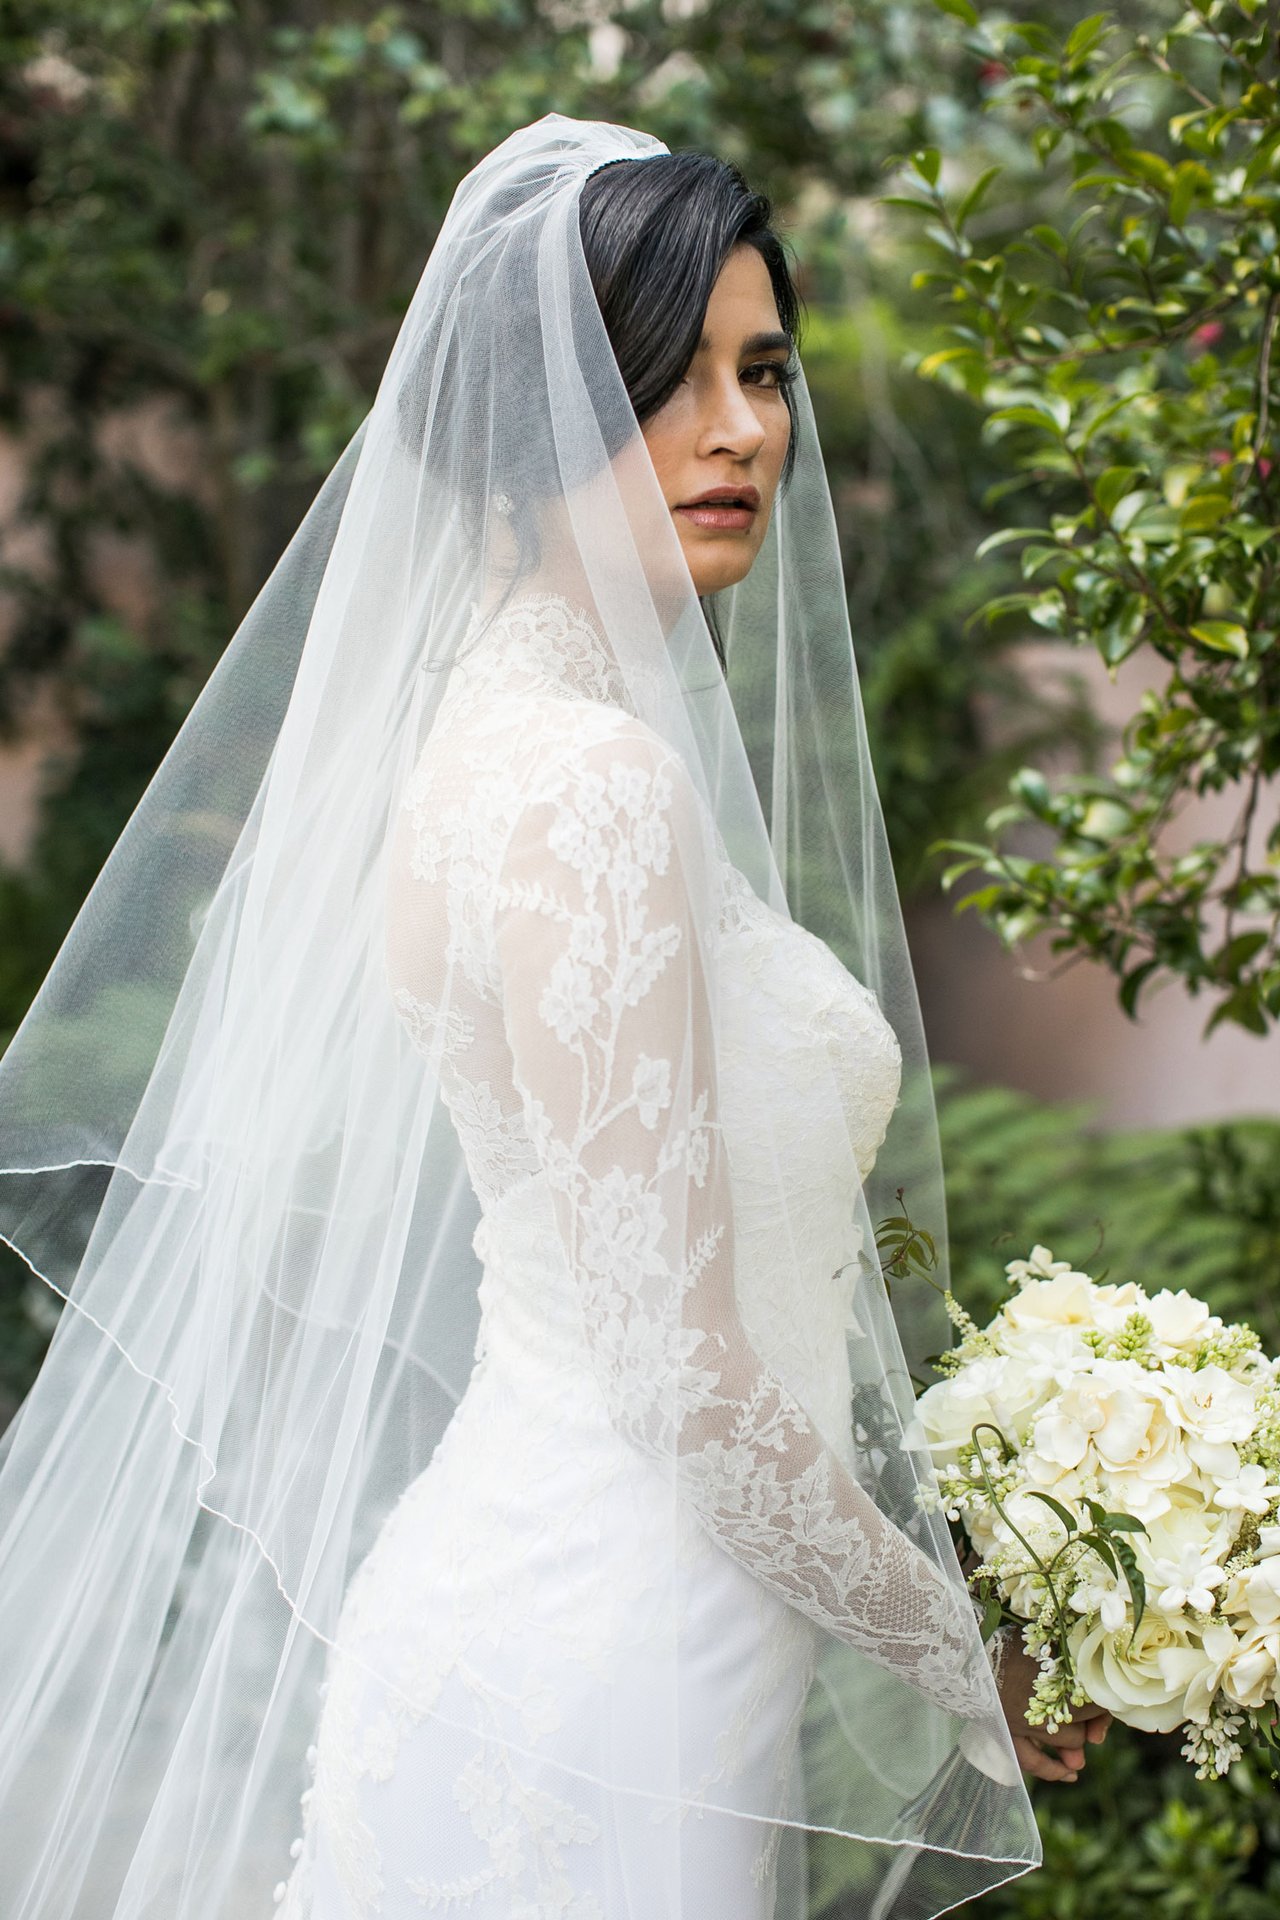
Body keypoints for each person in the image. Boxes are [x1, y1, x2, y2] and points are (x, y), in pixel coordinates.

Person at [0, 115, 1060, 1920]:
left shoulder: (532, 737)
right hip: (598, 1670)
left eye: (765, 369)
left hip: (635, 1638)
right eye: (666, 378)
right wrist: (966, 1649)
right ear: (524, 429)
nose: (740, 429)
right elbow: (681, 1371)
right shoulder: (582, 788)